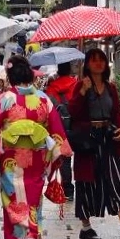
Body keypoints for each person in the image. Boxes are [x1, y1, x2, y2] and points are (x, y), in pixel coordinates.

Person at [0, 55, 72, 239]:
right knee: (33, 196)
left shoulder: (4, 99)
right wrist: (61, 149)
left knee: (12, 196)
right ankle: (33, 235)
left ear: (10, 76)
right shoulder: (43, 99)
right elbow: (55, 127)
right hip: (37, 156)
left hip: (12, 157)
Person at [67, 48, 120, 239]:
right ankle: (86, 227)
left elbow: (117, 113)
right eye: (93, 60)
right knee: (86, 183)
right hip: (88, 142)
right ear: (87, 64)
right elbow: (73, 111)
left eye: (101, 59)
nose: (98, 63)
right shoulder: (80, 86)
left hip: (108, 141)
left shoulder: (111, 87)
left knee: (117, 180)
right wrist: (83, 91)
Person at [43, 62, 78, 200]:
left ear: (58, 71)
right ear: (70, 70)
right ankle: (82, 187)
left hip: (59, 128)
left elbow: (48, 110)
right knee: (81, 158)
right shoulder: (77, 85)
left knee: (64, 159)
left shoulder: (51, 88)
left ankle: (68, 190)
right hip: (76, 125)